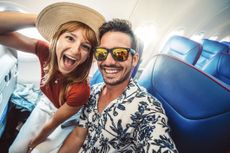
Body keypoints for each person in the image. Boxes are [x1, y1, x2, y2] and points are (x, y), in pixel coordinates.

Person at [58, 19, 178, 153]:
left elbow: (157, 142)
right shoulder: (93, 91)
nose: (108, 62)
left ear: (134, 59)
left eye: (120, 53)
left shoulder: (147, 109)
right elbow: (78, 136)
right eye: (102, 53)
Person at [0, 2, 105, 153]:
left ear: (88, 55)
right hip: (44, 104)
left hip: (64, 118)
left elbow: (53, 123)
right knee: (15, 150)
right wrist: (39, 19)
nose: (75, 50)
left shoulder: (81, 90)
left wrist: (33, 144)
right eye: (70, 38)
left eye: (85, 46)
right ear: (56, 39)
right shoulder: (45, 51)